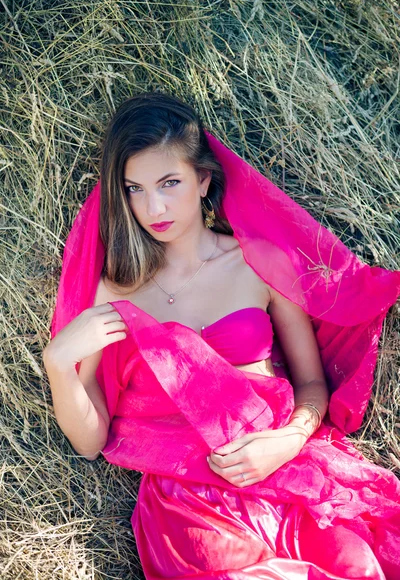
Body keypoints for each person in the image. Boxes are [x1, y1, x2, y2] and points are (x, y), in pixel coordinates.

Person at [43, 92, 400, 579]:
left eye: (170, 182)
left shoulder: (257, 263)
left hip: (283, 467)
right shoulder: (113, 289)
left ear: (203, 178)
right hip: (193, 500)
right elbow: (90, 441)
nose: (154, 206)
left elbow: (312, 385)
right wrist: (59, 364)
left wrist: (286, 442)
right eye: (134, 189)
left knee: (356, 562)